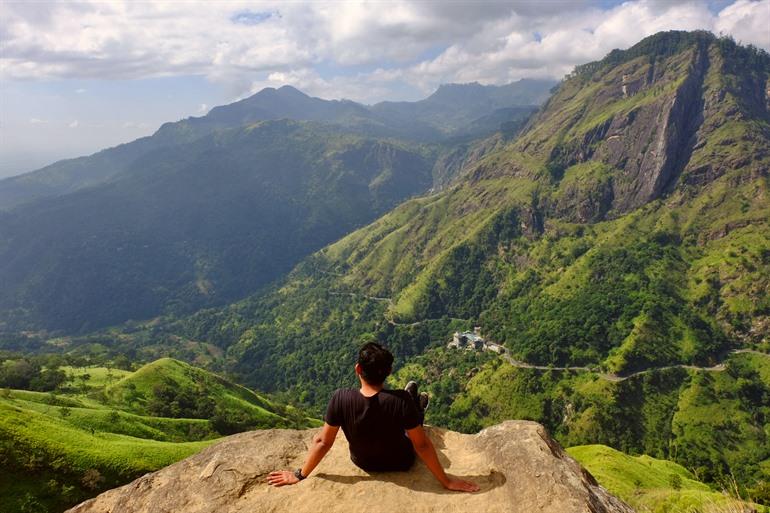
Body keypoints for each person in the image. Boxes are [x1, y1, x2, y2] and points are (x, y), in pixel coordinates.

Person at [267, 342, 480, 492]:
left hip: (363, 462)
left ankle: (417, 407)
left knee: (406, 406)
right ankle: (418, 410)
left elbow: (323, 442)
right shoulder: (400, 400)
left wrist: (299, 475)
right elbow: (422, 445)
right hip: (401, 462)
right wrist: (446, 481)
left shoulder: (340, 398)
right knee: (412, 418)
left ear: (358, 369)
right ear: (388, 372)